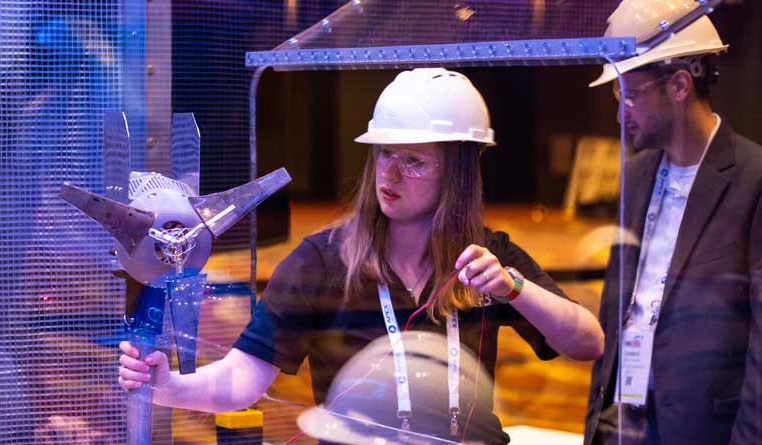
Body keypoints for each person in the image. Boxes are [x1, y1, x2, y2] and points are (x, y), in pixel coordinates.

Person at [119, 67, 604, 444]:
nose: (389, 176)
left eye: (413, 161)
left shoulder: (490, 259)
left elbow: (588, 343)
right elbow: (242, 378)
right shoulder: (322, 261)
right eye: (383, 155)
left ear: (456, 174)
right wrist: (169, 387)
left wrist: (514, 288)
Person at [583, 2, 762, 445]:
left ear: (680, 85)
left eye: (629, 95)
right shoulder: (636, 174)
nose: (620, 115)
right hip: (619, 421)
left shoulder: (754, 180)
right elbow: (614, 312)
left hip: (699, 430)